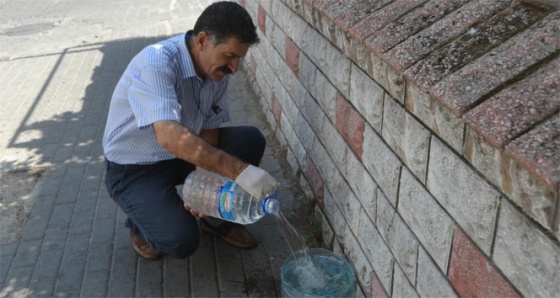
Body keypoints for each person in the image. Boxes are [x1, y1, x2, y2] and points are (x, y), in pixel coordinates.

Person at [102, 1, 278, 260]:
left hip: (180, 154)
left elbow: (209, 127)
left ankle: (216, 220)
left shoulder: (216, 71)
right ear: (203, 40)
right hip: (135, 169)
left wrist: (206, 188)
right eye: (230, 56)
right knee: (179, 241)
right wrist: (239, 172)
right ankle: (139, 225)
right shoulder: (155, 64)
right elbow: (170, 136)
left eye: (239, 58)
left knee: (249, 139)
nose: (235, 68)